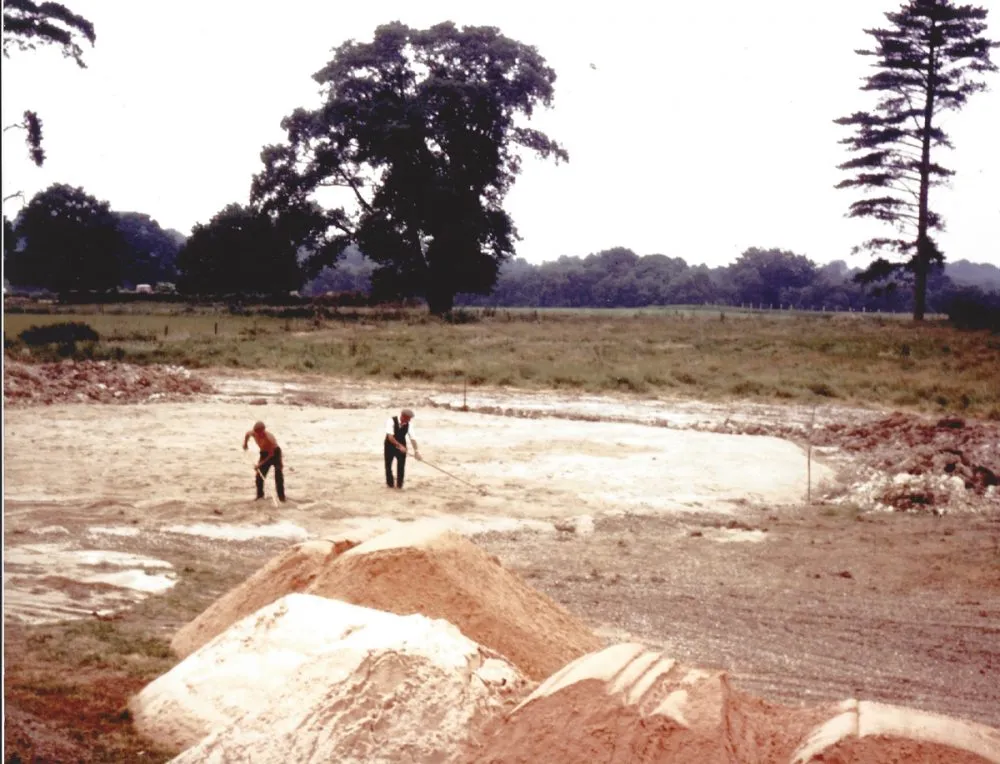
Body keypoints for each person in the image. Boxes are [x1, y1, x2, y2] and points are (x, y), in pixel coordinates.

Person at [243, 421, 285, 502]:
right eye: (257, 432)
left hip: (275, 454)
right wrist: (245, 444)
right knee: (259, 476)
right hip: (264, 453)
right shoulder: (254, 433)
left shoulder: (269, 438)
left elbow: (271, 454)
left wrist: (259, 464)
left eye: (260, 432)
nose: (258, 435)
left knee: (278, 474)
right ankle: (260, 496)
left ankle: (281, 498)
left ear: (263, 430)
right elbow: (247, 434)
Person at [384, 408, 420, 489]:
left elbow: (413, 439)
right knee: (388, 465)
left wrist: (416, 451)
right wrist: (399, 446)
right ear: (403, 416)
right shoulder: (391, 420)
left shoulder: (409, 424)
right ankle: (390, 485)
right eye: (408, 418)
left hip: (402, 444)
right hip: (389, 445)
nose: (409, 420)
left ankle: (399, 485)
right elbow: (390, 437)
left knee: (401, 466)